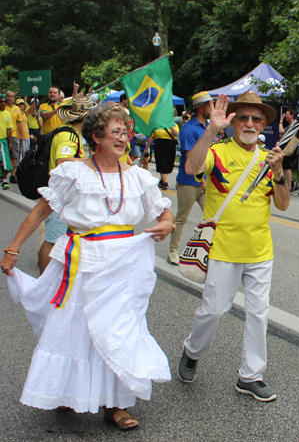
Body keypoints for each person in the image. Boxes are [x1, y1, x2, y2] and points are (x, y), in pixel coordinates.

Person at [1, 103, 175, 430]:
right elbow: (40, 211)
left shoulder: (139, 177)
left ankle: (114, 404)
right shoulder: (74, 172)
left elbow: (163, 214)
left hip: (124, 265)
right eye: (117, 132)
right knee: (75, 328)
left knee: (117, 329)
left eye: (127, 132)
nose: (124, 138)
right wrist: (13, 248)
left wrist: (167, 226)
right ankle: (66, 392)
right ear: (96, 136)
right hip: (82, 261)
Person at [177, 91, 290, 402]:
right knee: (213, 310)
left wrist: (279, 172)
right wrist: (211, 130)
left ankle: (250, 375)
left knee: (258, 314)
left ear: (264, 124)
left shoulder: (270, 157)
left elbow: (282, 204)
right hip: (223, 249)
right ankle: (192, 350)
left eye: (256, 119)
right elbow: (191, 168)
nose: (250, 123)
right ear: (233, 122)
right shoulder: (218, 150)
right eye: (243, 118)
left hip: (259, 250)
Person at [37, 97, 92, 274]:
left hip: (61, 193)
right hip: (59, 194)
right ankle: (45, 280)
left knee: (56, 238)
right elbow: (62, 160)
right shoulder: (69, 135)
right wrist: (89, 161)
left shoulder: (69, 133)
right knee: (53, 239)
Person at [167, 91, 212, 266]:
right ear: (201, 108)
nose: (213, 108)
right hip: (189, 181)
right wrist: (201, 181)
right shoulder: (188, 129)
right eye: (210, 105)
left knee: (213, 217)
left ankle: (210, 251)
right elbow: (191, 159)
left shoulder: (207, 127)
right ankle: (173, 251)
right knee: (182, 218)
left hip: (205, 181)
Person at [143, 117, 179, 190]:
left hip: (170, 145)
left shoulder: (174, 124)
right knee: (162, 162)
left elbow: (176, 134)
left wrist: (170, 126)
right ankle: (165, 183)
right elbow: (152, 137)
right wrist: (147, 148)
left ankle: (162, 180)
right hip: (159, 144)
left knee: (169, 163)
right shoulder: (157, 125)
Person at [5, 90, 24, 183]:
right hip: (3, 134)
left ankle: (13, 175)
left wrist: (21, 135)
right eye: (8, 96)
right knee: (4, 155)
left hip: (13, 134)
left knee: (14, 155)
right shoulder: (3, 108)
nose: (10, 98)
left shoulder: (17, 109)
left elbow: (19, 122)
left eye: (12, 96)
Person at [278, 109, 297, 191]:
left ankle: (289, 186)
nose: (286, 116)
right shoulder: (291, 125)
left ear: (292, 115)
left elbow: (281, 130)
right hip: (287, 148)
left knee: (287, 167)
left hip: (289, 149)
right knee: (285, 167)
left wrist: (281, 121)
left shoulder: (292, 125)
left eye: (287, 114)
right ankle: (288, 185)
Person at [0, 93, 13, 189]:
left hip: (3, 140)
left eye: (5, 101)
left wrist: (10, 142)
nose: (3, 103)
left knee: (4, 161)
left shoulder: (8, 113)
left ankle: (5, 180)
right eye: (1, 101)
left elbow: (9, 129)